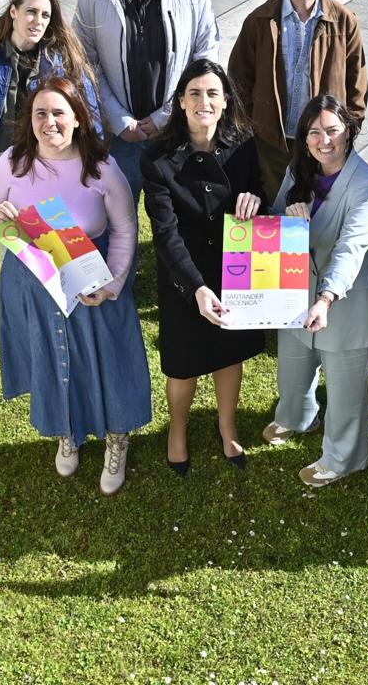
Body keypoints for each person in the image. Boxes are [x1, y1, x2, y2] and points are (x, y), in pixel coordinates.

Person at [0, 76, 151, 496]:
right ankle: (67, 430)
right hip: (34, 281)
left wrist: (111, 285)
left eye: (59, 113)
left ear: (77, 119)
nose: (49, 122)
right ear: (30, 119)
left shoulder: (102, 169)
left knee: (106, 358)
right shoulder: (13, 161)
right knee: (55, 356)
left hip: (90, 276)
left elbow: (126, 230)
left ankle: (117, 437)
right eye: (41, 113)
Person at [141, 60, 265, 474]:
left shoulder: (244, 145)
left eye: (213, 93)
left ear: (226, 101)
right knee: (183, 360)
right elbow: (166, 233)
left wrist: (254, 200)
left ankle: (226, 425)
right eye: (194, 93)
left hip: (233, 270)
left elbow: (258, 191)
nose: (204, 101)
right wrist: (194, 287)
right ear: (180, 101)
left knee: (229, 352)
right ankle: (177, 430)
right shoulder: (157, 158)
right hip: (184, 276)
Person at [0, 0, 101, 301]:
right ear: (14, 12)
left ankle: (56, 289)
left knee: (47, 229)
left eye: (45, 15)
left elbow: (89, 114)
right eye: (31, 11)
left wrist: (89, 158)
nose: (37, 21)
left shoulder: (60, 63)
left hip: (45, 164)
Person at [265, 95, 368, 487]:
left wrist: (326, 297)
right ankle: (297, 416)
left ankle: (344, 456)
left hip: (344, 304)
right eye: (314, 132)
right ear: (304, 139)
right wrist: (284, 216)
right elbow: (275, 221)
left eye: (332, 130)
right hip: (296, 295)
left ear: (348, 132)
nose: (324, 140)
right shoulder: (299, 169)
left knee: (346, 391)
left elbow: (352, 248)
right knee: (292, 371)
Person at [75, 0, 219, 203]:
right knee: (118, 223)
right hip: (119, 137)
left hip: (176, 131)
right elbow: (84, 61)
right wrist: (118, 119)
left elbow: (205, 61)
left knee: (179, 220)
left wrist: (164, 117)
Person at [228, 0, 368, 197]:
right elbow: (238, 81)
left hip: (324, 142)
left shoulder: (344, 22)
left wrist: (347, 130)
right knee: (274, 213)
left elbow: (357, 83)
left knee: (317, 213)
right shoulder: (260, 20)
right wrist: (251, 128)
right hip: (272, 143)